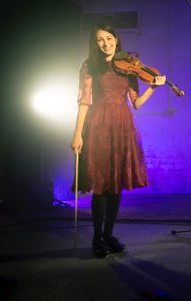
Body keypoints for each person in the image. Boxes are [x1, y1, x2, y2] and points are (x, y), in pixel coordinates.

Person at [71, 23, 166, 258]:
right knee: (101, 184)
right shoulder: (90, 65)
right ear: (95, 43)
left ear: (116, 38)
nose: (105, 43)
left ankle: (109, 235)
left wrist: (153, 87)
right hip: (99, 124)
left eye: (109, 38)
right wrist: (77, 133)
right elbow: (84, 102)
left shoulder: (129, 66)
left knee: (115, 186)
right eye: (100, 39)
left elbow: (136, 103)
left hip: (122, 125)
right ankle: (96, 238)